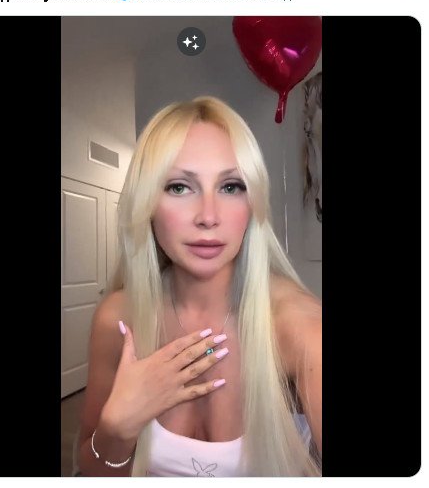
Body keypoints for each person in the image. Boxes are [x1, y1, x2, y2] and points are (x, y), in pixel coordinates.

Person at [77, 97, 322, 477]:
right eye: (179, 187)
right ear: (147, 203)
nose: (208, 216)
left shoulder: (299, 326)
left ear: (253, 203)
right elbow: (93, 470)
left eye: (231, 186)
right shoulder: (119, 319)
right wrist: (116, 429)